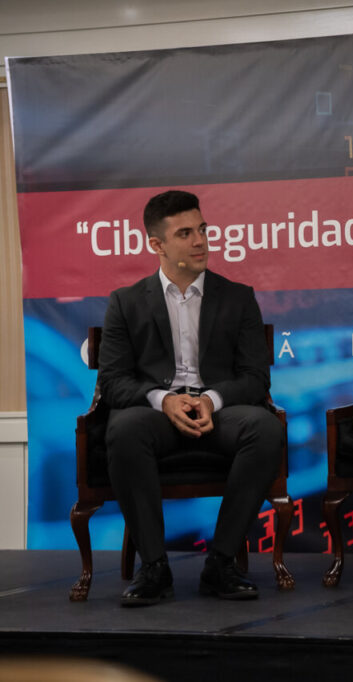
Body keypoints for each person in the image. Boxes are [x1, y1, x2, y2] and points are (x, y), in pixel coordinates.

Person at [99, 190, 284, 607]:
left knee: (265, 428)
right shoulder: (126, 303)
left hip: (221, 412)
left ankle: (220, 563)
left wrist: (212, 400)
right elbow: (113, 381)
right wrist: (163, 399)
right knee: (123, 428)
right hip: (156, 415)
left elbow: (255, 378)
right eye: (185, 233)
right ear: (157, 245)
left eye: (202, 229)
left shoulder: (238, 297)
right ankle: (154, 568)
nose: (201, 240)